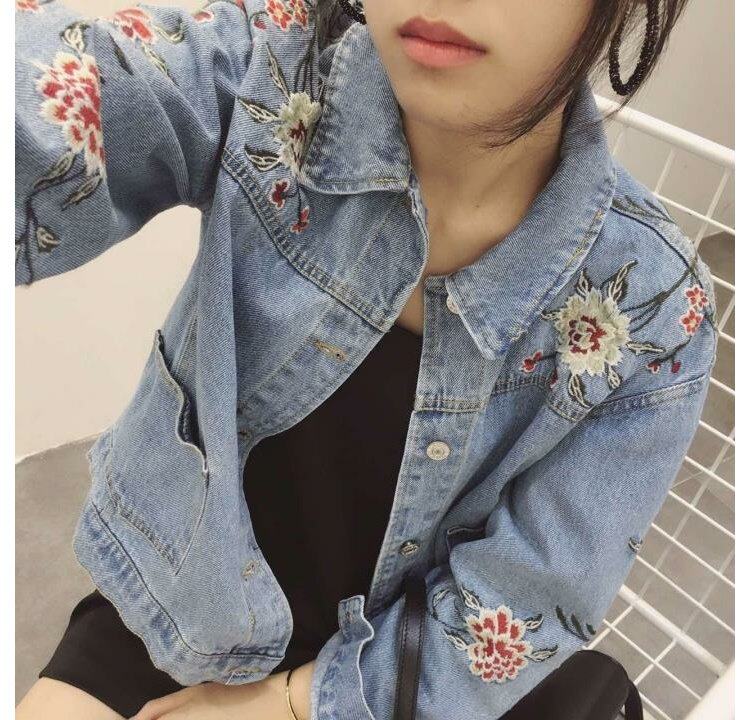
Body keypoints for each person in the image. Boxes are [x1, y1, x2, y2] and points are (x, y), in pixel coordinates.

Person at [16, 0, 716, 718]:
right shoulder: (266, 76)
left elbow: (524, 597)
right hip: (179, 611)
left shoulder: (654, 310)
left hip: (401, 679)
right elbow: (54, 105)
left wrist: (294, 704)